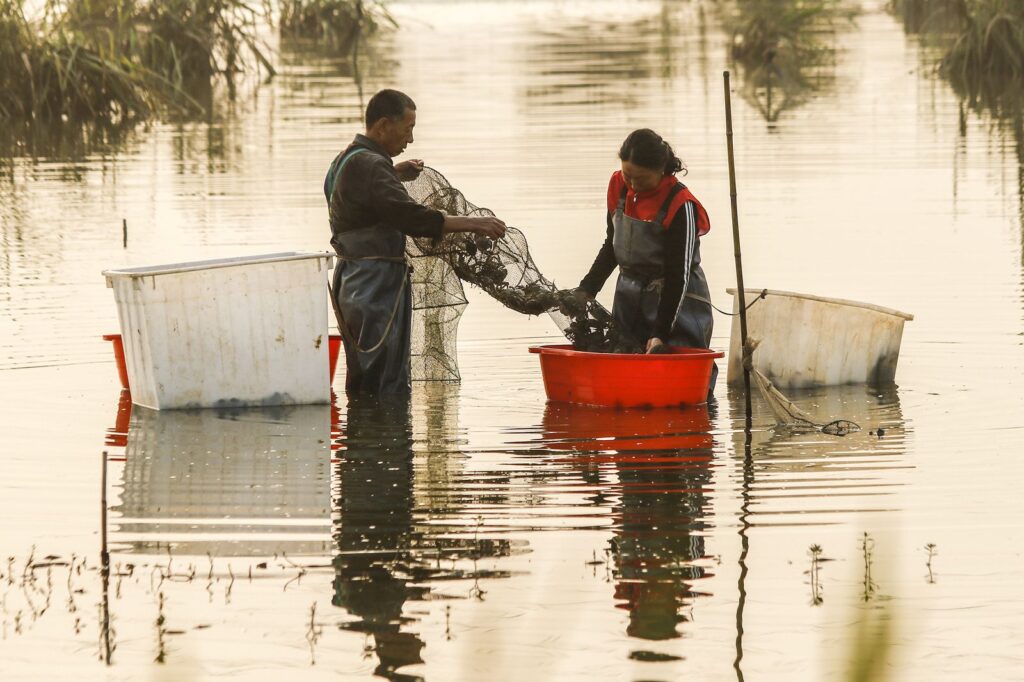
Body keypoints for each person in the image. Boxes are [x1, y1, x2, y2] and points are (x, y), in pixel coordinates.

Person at [325, 89, 506, 394]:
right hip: (375, 287)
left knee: (365, 375)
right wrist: (476, 222)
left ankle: (366, 436)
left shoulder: (345, 159)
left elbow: (358, 199)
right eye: (407, 129)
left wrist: (393, 173)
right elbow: (411, 217)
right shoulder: (371, 166)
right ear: (383, 125)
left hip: (352, 283)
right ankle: (386, 438)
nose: (410, 139)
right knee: (384, 382)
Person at [577, 128, 717, 395]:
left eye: (641, 179)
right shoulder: (618, 186)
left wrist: (660, 333)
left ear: (662, 170)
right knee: (627, 379)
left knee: (681, 384)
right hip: (629, 297)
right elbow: (611, 246)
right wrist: (587, 289)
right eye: (628, 175)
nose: (633, 185)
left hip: (679, 302)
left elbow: (680, 275)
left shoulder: (680, 204)